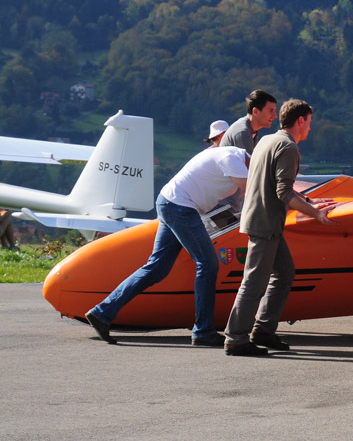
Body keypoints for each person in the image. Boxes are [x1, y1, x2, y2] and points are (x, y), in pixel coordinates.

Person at [85, 147, 251, 346]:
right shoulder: (233, 159)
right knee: (208, 264)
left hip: (170, 202)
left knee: (157, 267)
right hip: (181, 207)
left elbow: (233, 200)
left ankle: (102, 313)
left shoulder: (232, 158)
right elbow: (253, 191)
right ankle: (203, 331)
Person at [223, 99, 337, 357]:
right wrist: (317, 214)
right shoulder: (289, 148)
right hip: (265, 224)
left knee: (284, 272)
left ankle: (263, 329)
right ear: (300, 121)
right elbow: (283, 191)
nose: (309, 127)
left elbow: (275, 183)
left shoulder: (267, 140)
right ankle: (235, 338)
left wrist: (308, 200)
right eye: (309, 122)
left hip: (260, 220)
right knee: (253, 282)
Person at [220, 89, 278, 154]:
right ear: (255, 111)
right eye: (271, 111)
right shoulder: (242, 132)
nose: (275, 116)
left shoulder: (251, 130)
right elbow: (250, 164)